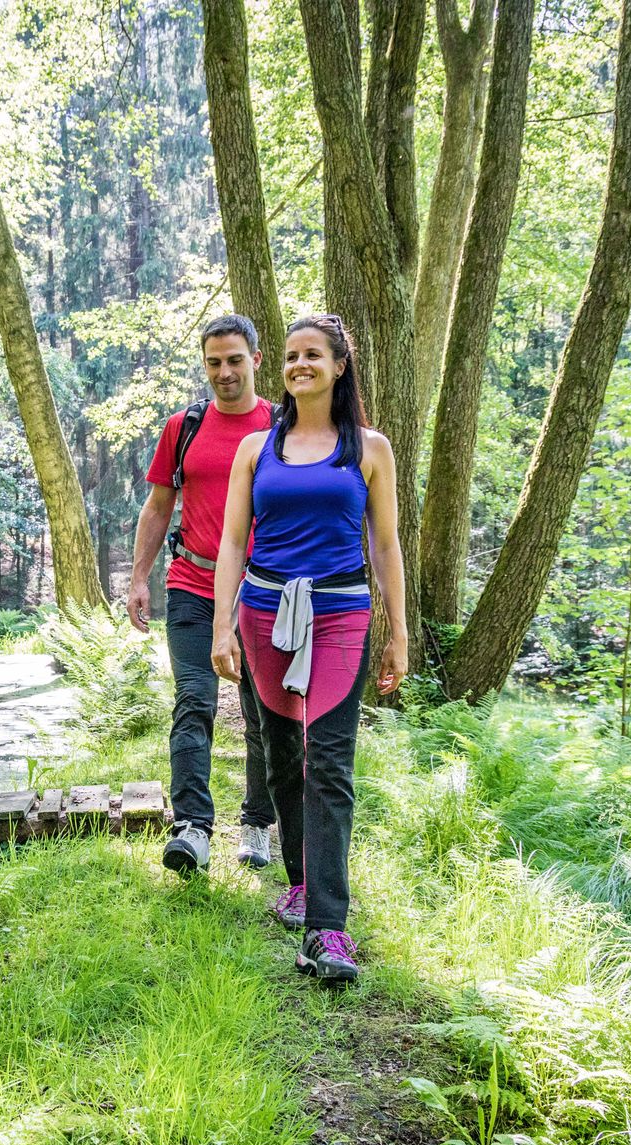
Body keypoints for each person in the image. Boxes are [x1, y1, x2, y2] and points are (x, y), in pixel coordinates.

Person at [211, 315, 408, 982]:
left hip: (340, 615)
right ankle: (299, 880)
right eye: (292, 356)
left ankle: (328, 929)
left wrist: (399, 632)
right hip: (265, 613)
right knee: (282, 756)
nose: (300, 365)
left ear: (339, 366)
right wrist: (221, 627)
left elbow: (385, 547)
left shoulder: (371, 449)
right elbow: (234, 543)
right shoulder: (255, 450)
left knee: (328, 762)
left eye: (313, 355)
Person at [129, 314, 277, 876]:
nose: (224, 372)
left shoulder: (282, 427)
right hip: (192, 582)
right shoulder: (184, 427)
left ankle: (258, 823)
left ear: (256, 361)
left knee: (262, 711)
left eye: (235, 360)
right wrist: (140, 577)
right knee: (194, 700)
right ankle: (192, 827)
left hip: (264, 590)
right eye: (214, 362)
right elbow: (159, 506)